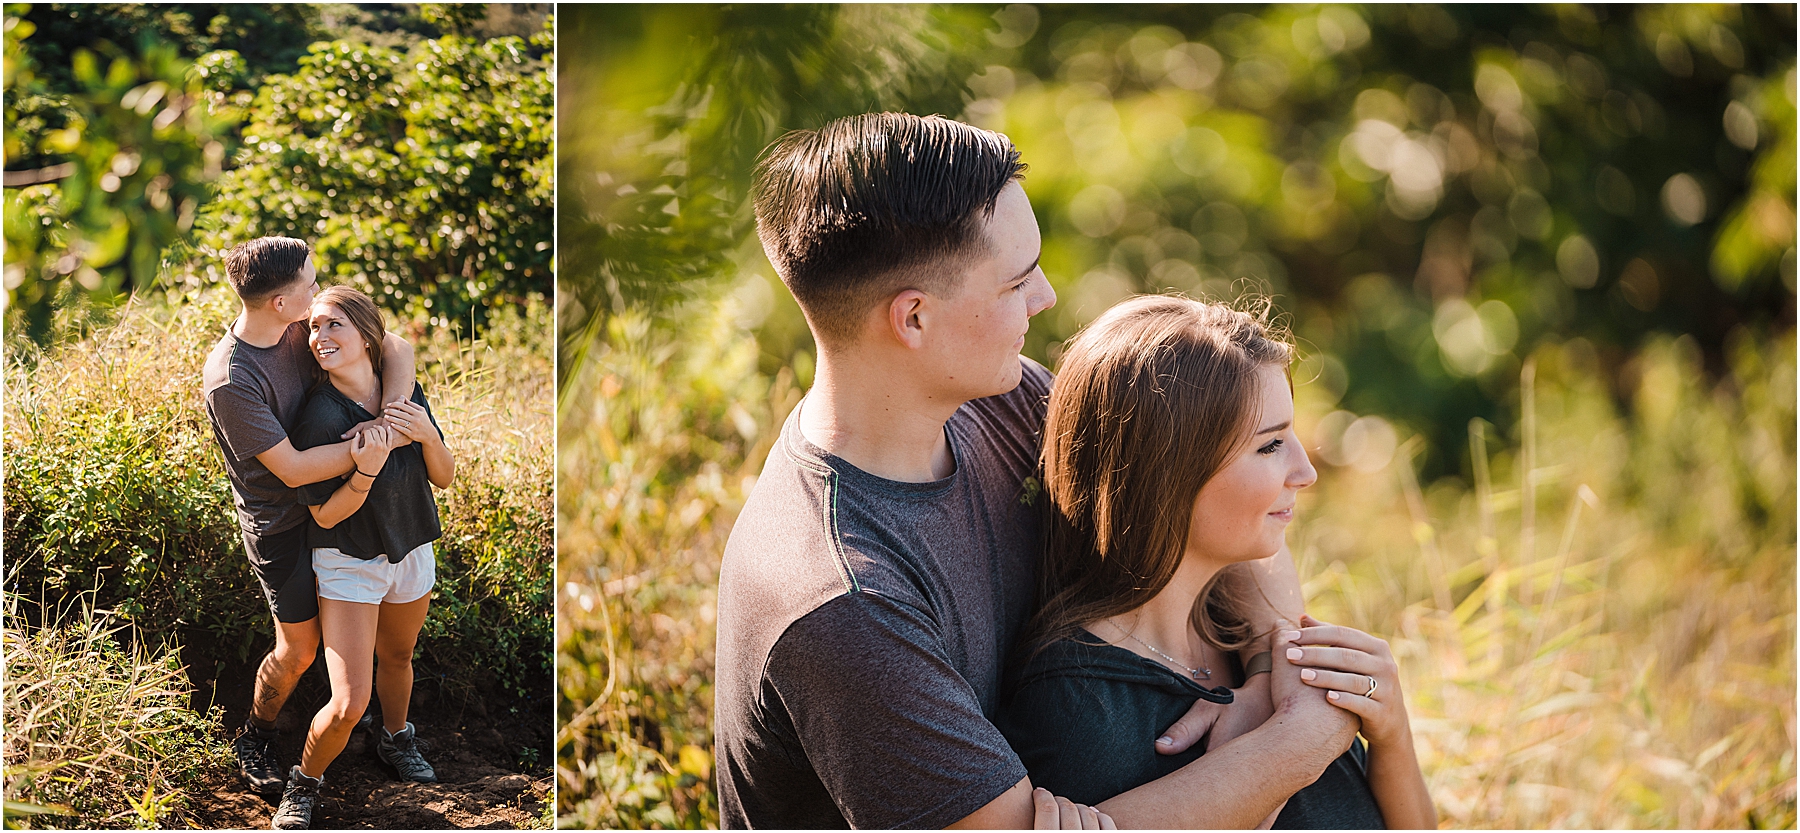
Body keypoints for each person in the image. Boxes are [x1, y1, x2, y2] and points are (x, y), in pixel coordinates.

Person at [713, 112, 1363, 830]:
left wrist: (1272, 668)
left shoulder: (1006, 398)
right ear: (914, 319)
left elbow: (1200, 499)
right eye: (1016, 281)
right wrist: (1304, 738)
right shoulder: (841, 601)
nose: (1047, 296)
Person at [997, 295, 1437, 828]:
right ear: (1168, 474)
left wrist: (1391, 730)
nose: (1305, 471)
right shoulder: (1080, 711)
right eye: (1270, 446)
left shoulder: (1248, 632)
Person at [202, 237, 416, 800]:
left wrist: (389, 417)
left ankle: (370, 726)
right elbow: (294, 471)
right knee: (297, 650)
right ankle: (256, 733)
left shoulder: (302, 327)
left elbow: (392, 343)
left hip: (345, 506)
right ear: (280, 302)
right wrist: (376, 446)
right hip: (283, 525)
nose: (318, 291)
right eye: (310, 283)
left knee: (372, 640)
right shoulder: (232, 379)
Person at [270, 286, 456, 829]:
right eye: (314, 328)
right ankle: (303, 783)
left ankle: (397, 739)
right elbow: (325, 517)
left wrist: (424, 434)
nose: (320, 337)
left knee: (398, 658)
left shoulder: (404, 394)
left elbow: (442, 475)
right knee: (350, 701)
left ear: (367, 334)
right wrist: (367, 470)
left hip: (411, 548)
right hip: (349, 561)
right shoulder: (321, 418)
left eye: (334, 326)